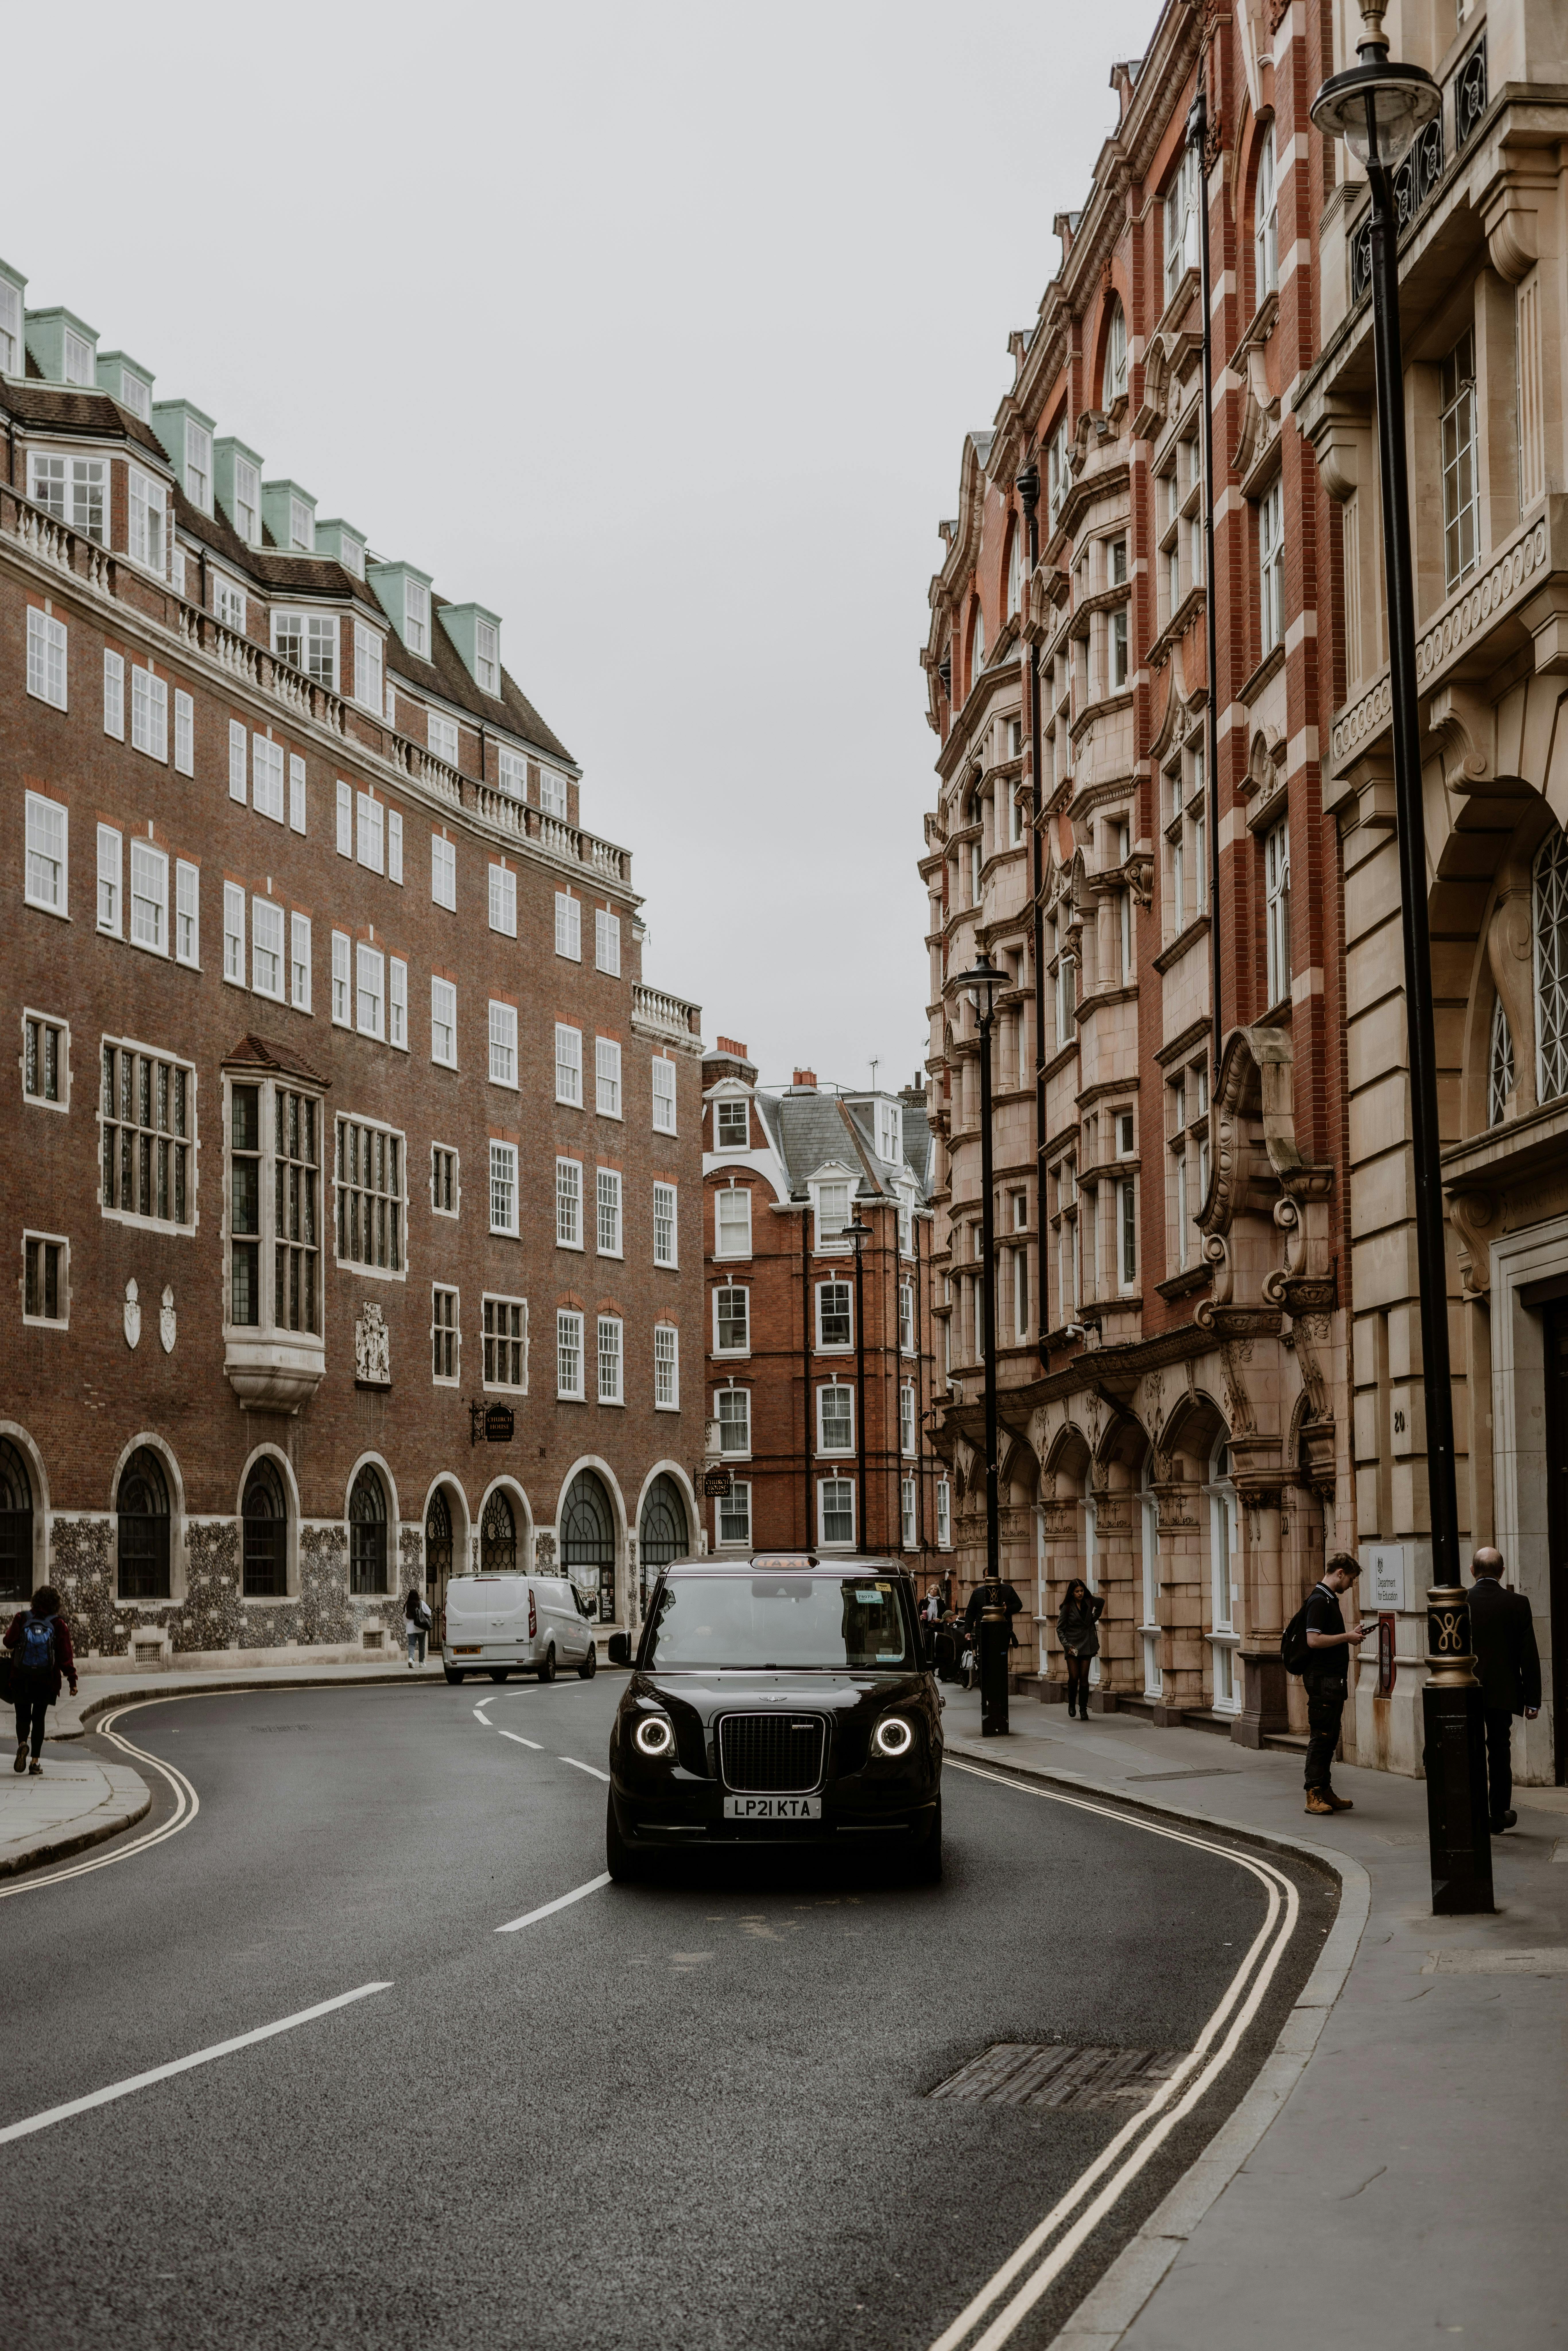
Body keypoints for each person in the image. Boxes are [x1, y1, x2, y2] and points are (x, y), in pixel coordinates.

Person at [1468, 1546, 1541, 1834]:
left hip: (1468, 1690)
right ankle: (1497, 1813)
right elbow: (1529, 1654)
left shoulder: (1460, 1602)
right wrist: (1532, 1700)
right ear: (1501, 1572)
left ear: (1472, 1571)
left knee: (1471, 1751)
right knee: (1499, 1751)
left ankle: (1474, 1812)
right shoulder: (1517, 1603)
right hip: (1503, 1692)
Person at [1303, 1553, 1371, 1816]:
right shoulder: (1320, 1601)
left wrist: (1349, 1635)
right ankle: (1313, 1795)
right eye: (1351, 1579)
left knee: (1330, 1737)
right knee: (1321, 1738)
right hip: (1322, 1681)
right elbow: (1313, 1641)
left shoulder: (1328, 1599)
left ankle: (1326, 1790)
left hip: (1331, 1681)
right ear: (1340, 1573)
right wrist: (1347, 1637)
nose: (1352, 1585)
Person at [5, 1586, 77, 1776]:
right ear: (55, 1604)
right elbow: (65, 1655)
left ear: (35, 1600)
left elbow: (8, 1642)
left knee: (22, 1716)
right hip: (46, 1678)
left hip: (21, 1676)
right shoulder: (58, 1624)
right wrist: (72, 1680)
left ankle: (22, 1745)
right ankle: (35, 1763)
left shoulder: (22, 1618)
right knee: (39, 1719)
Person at [1055, 1577, 1105, 1719]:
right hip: (1072, 1646)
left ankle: (1083, 1709)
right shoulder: (1067, 1607)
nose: (1080, 1594)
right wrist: (1067, 1646)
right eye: (1077, 1591)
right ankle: (1072, 1704)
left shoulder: (1089, 1601)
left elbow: (1101, 1602)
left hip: (1087, 1644)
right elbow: (1060, 1630)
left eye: (1082, 1591)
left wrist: (1094, 1618)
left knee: (1084, 1679)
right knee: (1074, 1677)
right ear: (1072, 1593)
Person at [404, 1586, 432, 1669]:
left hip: (410, 1628)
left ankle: (411, 1659)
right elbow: (429, 1613)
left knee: (412, 1644)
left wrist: (408, 1625)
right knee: (422, 1645)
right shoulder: (421, 1603)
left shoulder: (407, 1605)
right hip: (421, 1628)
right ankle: (421, 1662)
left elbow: (405, 1617)